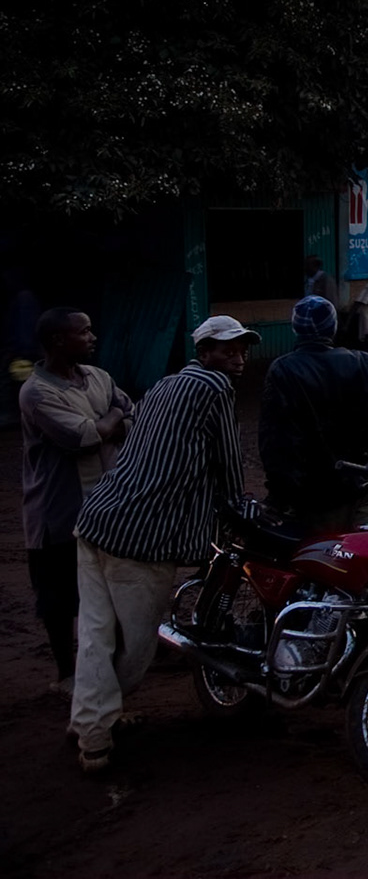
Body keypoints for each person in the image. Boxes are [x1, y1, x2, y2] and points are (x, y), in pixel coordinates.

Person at [68, 315, 254, 772]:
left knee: (96, 634)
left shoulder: (165, 384)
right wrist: (239, 512)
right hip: (141, 537)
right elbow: (227, 462)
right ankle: (96, 738)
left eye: (241, 350)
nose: (238, 359)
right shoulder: (214, 388)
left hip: (98, 518)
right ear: (204, 352)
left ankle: (88, 724)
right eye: (227, 350)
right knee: (135, 648)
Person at [18, 308, 130, 697]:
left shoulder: (98, 377)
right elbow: (82, 437)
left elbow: (132, 418)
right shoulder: (36, 392)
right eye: (83, 332)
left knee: (111, 587)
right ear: (57, 341)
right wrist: (111, 419)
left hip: (106, 506)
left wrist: (109, 423)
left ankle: (112, 664)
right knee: (59, 599)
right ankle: (66, 674)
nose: (92, 337)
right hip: (58, 513)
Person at [260, 295, 368, 530]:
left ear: (295, 329)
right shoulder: (362, 362)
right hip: (362, 484)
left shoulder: (283, 370)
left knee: (323, 553)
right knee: (366, 551)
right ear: (333, 327)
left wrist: (280, 493)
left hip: (314, 493)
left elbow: (274, 440)